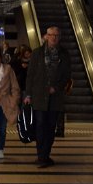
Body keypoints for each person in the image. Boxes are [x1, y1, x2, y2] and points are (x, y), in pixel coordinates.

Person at [23, 26, 72, 168]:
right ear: (46, 36)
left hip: (55, 98)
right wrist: (28, 94)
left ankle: (45, 155)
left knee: (50, 126)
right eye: (51, 35)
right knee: (39, 125)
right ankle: (41, 155)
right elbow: (30, 75)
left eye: (56, 35)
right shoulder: (37, 53)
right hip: (39, 96)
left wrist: (56, 88)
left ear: (59, 37)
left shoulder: (64, 54)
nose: (54, 37)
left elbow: (67, 75)